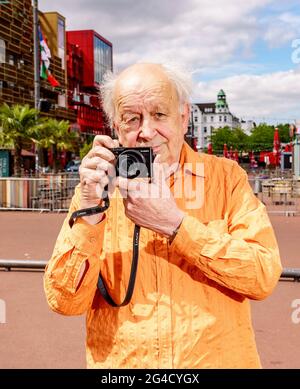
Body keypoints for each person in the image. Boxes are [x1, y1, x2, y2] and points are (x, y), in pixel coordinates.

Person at [44, 62, 282, 368]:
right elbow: (64, 300)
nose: (146, 132)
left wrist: (176, 226)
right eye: (132, 119)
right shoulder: (98, 191)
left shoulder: (226, 178)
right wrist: (90, 208)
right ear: (116, 128)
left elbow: (262, 275)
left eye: (159, 114)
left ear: (183, 117)